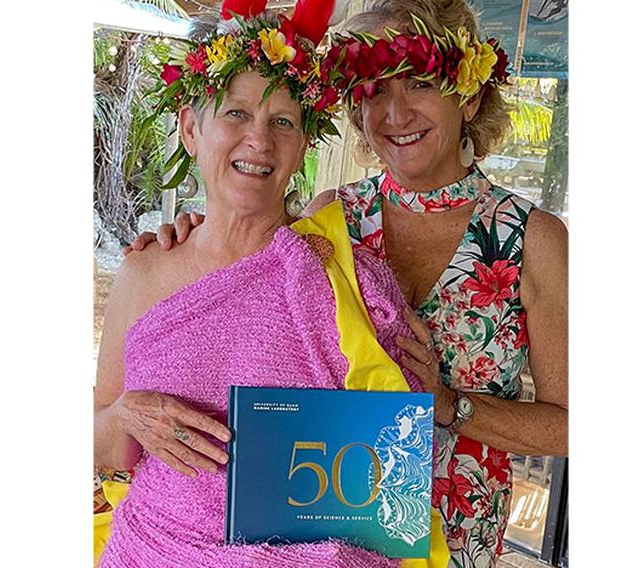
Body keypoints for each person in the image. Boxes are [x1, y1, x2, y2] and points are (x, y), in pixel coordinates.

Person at [129, 1, 568, 566]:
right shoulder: (332, 217)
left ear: (471, 93)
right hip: (331, 532)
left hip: (455, 536)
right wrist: (192, 236)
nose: (395, 114)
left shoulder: (531, 238)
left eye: (418, 83)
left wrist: (450, 406)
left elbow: (569, 427)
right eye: (373, 90)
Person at [95, 4, 436, 567]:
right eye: (235, 113)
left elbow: (392, 486)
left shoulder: (350, 282)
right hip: (149, 550)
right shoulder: (145, 271)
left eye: (283, 121)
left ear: (303, 147)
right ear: (189, 129)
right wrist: (127, 416)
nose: (259, 139)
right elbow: (98, 438)